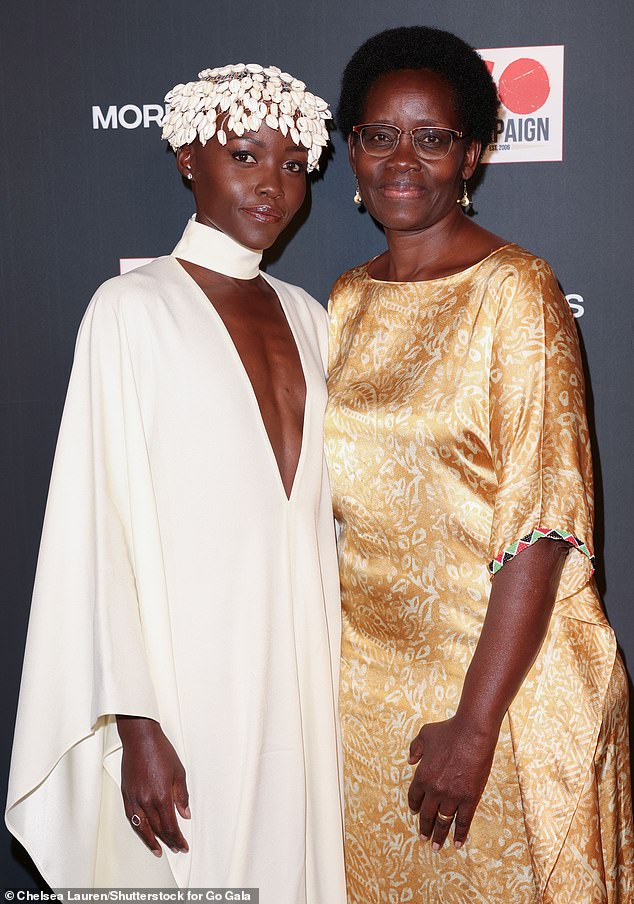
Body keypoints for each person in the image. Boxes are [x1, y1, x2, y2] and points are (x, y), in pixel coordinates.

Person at [6, 63, 347, 902]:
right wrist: (136, 722)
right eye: (244, 154)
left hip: (309, 668)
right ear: (188, 158)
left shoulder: (313, 314)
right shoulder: (131, 309)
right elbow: (98, 526)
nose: (273, 184)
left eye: (295, 165)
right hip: (186, 678)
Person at [324, 26, 634, 903]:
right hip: (369, 692)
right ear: (352, 148)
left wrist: (475, 723)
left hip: (497, 686)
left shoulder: (517, 292)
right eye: (381, 135)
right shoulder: (346, 300)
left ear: (475, 153)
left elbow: (541, 525)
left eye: (433, 138)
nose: (403, 160)